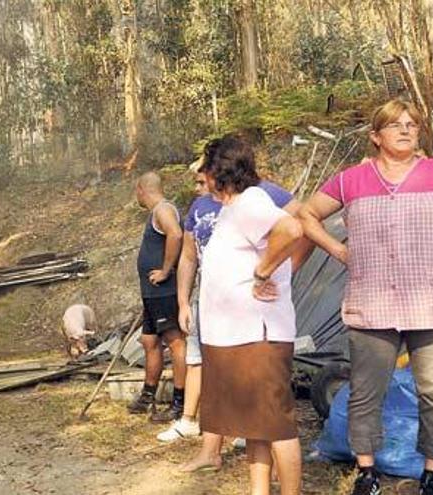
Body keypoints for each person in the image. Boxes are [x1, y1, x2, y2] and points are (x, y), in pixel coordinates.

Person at [299, 99, 433, 495]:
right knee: (366, 394)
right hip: (372, 308)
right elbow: (306, 214)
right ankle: (366, 473)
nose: (405, 130)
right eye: (395, 125)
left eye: (411, 124)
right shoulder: (351, 179)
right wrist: (337, 250)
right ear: (375, 136)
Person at [157, 148, 303, 461]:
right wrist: (183, 302)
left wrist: (273, 270)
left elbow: (296, 228)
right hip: (216, 313)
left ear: (220, 172)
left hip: (254, 322)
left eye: (204, 176)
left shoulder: (258, 196)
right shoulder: (206, 206)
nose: (201, 183)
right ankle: (211, 452)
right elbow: (188, 256)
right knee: (211, 376)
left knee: (271, 418)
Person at [197, 135, 304, 495]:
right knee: (255, 428)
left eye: (205, 167)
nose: (202, 175)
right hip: (233, 337)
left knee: (277, 426)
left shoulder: (250, 201)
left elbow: (292, 229)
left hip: (257, 335)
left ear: (218, 170)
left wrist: (262, 272)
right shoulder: (234, 207)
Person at [126, 171, 186, 423]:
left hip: (164, 290)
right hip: (151, 293)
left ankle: (179, 403)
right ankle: (147, 395)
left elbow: (176, 234)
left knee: (175, 342)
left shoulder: (163, 209)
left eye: (136, 192)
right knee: (149, 341)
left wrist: (165, 270)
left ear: (142, 189)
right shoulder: (156, 212)